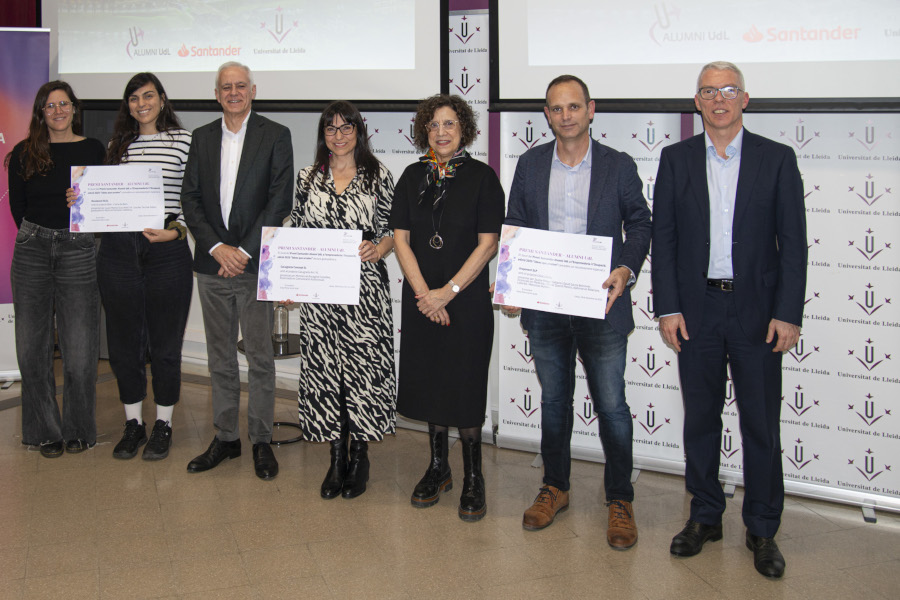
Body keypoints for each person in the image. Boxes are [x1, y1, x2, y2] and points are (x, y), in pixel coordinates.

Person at [651, 62, 807, 578]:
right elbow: (664, 239)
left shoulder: (776, 159)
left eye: (729, 90)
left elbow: (794, 244)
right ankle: (704, 515)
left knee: (760, 423)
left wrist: (788, 313)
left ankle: (762, 527)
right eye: (709, 91)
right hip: (696, 310)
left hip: (757, 313)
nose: (719, 99)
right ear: (696, 102)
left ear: (745, 99)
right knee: (701, 419)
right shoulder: (675, 159)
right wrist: (668, 307)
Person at [502, 75, 651, 550]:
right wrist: (511, 283)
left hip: (602, 304)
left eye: (573, 106)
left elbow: (641, 223)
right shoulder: (530, 164)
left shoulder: (618, 165)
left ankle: (620, 499)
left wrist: (626, 268)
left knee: (612, 406)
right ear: (547, 115)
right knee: (554, 402)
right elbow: (515, 224)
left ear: (591, 110)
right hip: (546, 306)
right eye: (556, 108)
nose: (565, 116)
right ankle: (555, 487)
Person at [390, 94, 504, 522]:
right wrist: (425, 295)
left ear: (464, 130)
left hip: (466, 301)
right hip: (422, 301)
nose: (441, 132)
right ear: (425, 130)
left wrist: (448, 292)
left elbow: (488, 244)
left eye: (450, 123)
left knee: (465, 384)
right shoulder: (411, 176)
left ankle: (474, 476)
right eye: (434, 124)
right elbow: (400, 239)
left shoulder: (483, 178)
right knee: (430, 382)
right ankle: (438, 468)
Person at [181, 61, 293, 480]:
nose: (233, 92)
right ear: (216, 94)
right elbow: (190, 198)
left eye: (240, 86)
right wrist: (217, 248)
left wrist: (242, 251)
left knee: (260, 358)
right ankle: (226, 438)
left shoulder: (275, 135)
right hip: (212, 265)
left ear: (253, 90)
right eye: (226, 87)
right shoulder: (202, 136)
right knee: (220, 358)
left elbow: (279, 201)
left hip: (253, 264)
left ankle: (261, 440)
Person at [287, 101, 396, 499]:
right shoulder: (307, 177)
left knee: (362, 372)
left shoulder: (378, 174)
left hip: (364, 291)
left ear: (358, 132)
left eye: (346, 127)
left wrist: (379, 249)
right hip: (320, 295)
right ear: (323, 135)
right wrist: (288, 282)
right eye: (330, 128)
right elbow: (295, 231)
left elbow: (393, 231)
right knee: (326, 372)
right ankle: (336, 458)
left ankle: (360, 457)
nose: (339, 135)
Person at [95, 73, 192, 461]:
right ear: (128, 106)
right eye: (133, 98)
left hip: (166, 250)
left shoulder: (183, 141)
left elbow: (194, 197)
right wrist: (81, 199)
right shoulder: (117, 145)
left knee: (166, 345)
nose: (141, 104)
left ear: (162, 99)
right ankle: (133, 424)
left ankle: (163, 424)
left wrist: (176, 230)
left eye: (148, 96)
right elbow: (107, 199)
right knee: (124, 344)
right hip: (119, 250)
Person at [5, 81, 104, 457]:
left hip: (77, 248)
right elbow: (18, 208)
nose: (58, 111)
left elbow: (101, 201)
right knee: (32, 348)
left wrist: (83, 201)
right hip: (32, 248)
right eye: (50, 106)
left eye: (64, 104)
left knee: (80, 348)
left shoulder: (93, 149)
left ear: (74, 108)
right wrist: (42, 235)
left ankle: (79, 429)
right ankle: (44, 431)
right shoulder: (24, 152)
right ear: (41, 113)